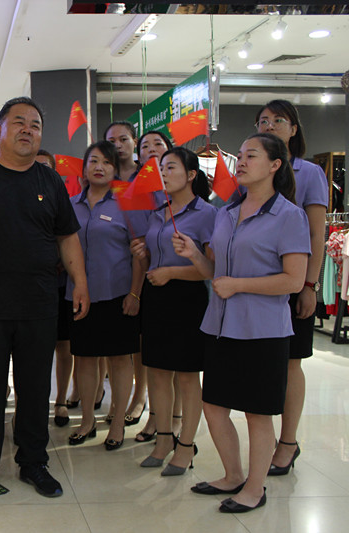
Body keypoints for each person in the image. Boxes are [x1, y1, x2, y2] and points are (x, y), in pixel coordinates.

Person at [0, 97, 90, 501]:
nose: (28, 129)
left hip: (39, 303)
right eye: (19, 122)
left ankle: (33, 461)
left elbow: (67, 237)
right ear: (0, 130)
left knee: (35, 387)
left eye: (35, 124)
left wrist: (80, 282)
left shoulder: (50, 181)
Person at [175, 133, 309, 513]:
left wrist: (239, 285)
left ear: (275, 165)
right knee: (214, 405)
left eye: (252, 155)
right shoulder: (227, 213)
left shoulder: (289, 216)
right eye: (241, 155)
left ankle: (254, 488)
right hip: (220, 325)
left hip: (263, 329)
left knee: (257, 413)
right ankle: (233, 475)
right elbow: (216, 274)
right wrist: (194, 255)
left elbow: (293, 280)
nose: (243, 162)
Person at [132, 147, 217, 475]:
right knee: (157, 371)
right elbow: (154, 261)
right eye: (162, 168)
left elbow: (211, 269)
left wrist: (171, 272)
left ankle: (185, 445)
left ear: (191, 174)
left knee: (186, 376)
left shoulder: (207, 213)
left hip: (188, 299)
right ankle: (163, 439)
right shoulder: (157, 213)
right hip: (157, 298)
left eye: (171, 167)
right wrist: (142, 255)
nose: (164, 173)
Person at [254, 100, 328, 475]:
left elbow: (316, 233)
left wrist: (309, 285)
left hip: (294, 280)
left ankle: (288, 442)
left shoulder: (309, 172)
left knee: (290, 362)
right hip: (257, 283)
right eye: (263, 121)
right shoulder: (252, 169)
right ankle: (263, 441)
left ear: (293, 129)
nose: (269, 126)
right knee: (263, 363)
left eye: (278, 120)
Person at [66, 141, 147, 451]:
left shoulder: (127, 204)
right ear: (84, 168)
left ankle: (116, 423)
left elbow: (139, 254)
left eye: (107, 162)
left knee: (119, 359)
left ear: (115, 169)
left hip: (117, 294)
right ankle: (87, 420)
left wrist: (135, 294)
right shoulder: (70, 206)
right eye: (93, 161)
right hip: (79, 295)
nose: (99, 167)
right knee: (85, 359)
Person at [129, 129, 181, 441]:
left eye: (158, 144)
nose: (151, 149)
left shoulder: (182, 191)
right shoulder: (140, 192)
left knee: (180, 361)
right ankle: (157, 417)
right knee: (156, 359)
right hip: (152, 281)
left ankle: (176, 418)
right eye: (145, 145)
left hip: (184, 285)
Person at [36, 149, 79, 426]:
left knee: (63, 346)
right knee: (32, 350)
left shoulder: (63, 201)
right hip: (32, 286)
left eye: (47, 167)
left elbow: (70, 239)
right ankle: (33, 404)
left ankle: (61, 400)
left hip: (61, 285)